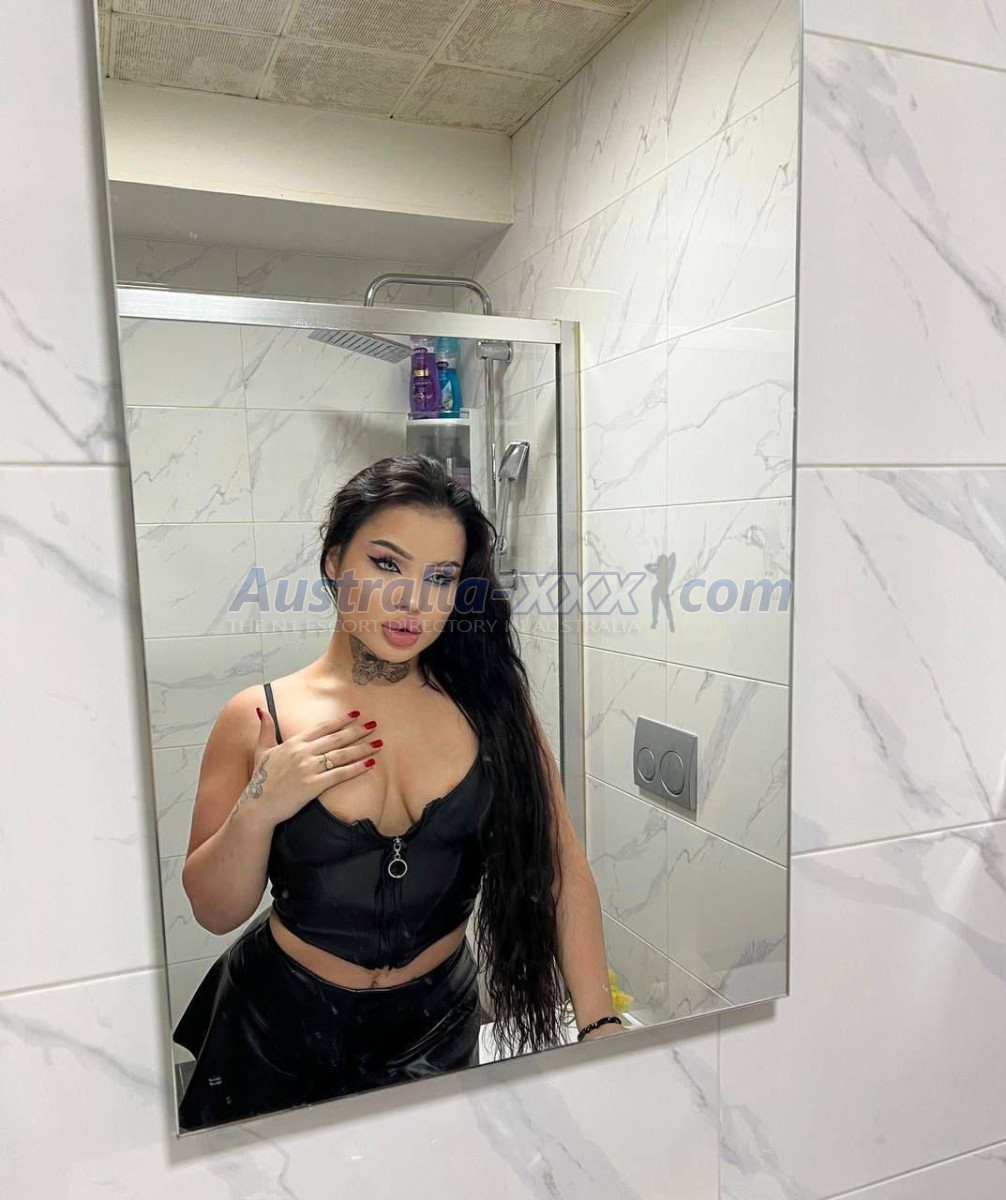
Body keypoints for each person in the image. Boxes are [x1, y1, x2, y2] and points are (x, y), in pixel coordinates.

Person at [172, 453, 624, 1131]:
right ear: (334, 561)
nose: (414, 601)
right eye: (388, 564)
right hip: (274, 1030)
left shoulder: (493, 710)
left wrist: (600, 1028)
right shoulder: (259, 716)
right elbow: (215, 910)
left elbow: (560, 869)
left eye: (440, 577)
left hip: (435, 1029)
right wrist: (259, 808)